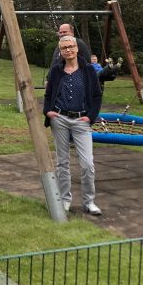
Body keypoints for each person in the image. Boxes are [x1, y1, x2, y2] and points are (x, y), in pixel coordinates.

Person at [43, 35, 103, 216]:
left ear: (77, 48)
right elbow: (48, 94)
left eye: (71, 47)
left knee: (87, 164)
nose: (68, 50)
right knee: (62, 163)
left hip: (81, 120)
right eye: (64, 48)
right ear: (60, 52)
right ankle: (65, 200)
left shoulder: (88, 71)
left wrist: (90, 117)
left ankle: (89, 201)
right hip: (60, 119)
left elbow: (97, 96)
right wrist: (48, 111)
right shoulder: (56, 71)